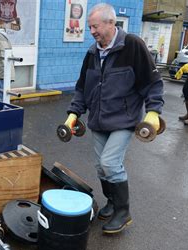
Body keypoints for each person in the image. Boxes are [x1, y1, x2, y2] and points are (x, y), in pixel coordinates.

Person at [64, 3, 165, 234]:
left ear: (111, 23)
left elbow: (152, 83)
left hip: (124, 120)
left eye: (95, 26)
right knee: (101, 167)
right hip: (99, 120)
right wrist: (73, 113)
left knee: (110, 163)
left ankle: (123, 211)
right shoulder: (92, 53)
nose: (92, 31)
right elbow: (82, 88)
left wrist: (153, 112)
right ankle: (111, 202)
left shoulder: (133, 46)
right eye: (90, 27)